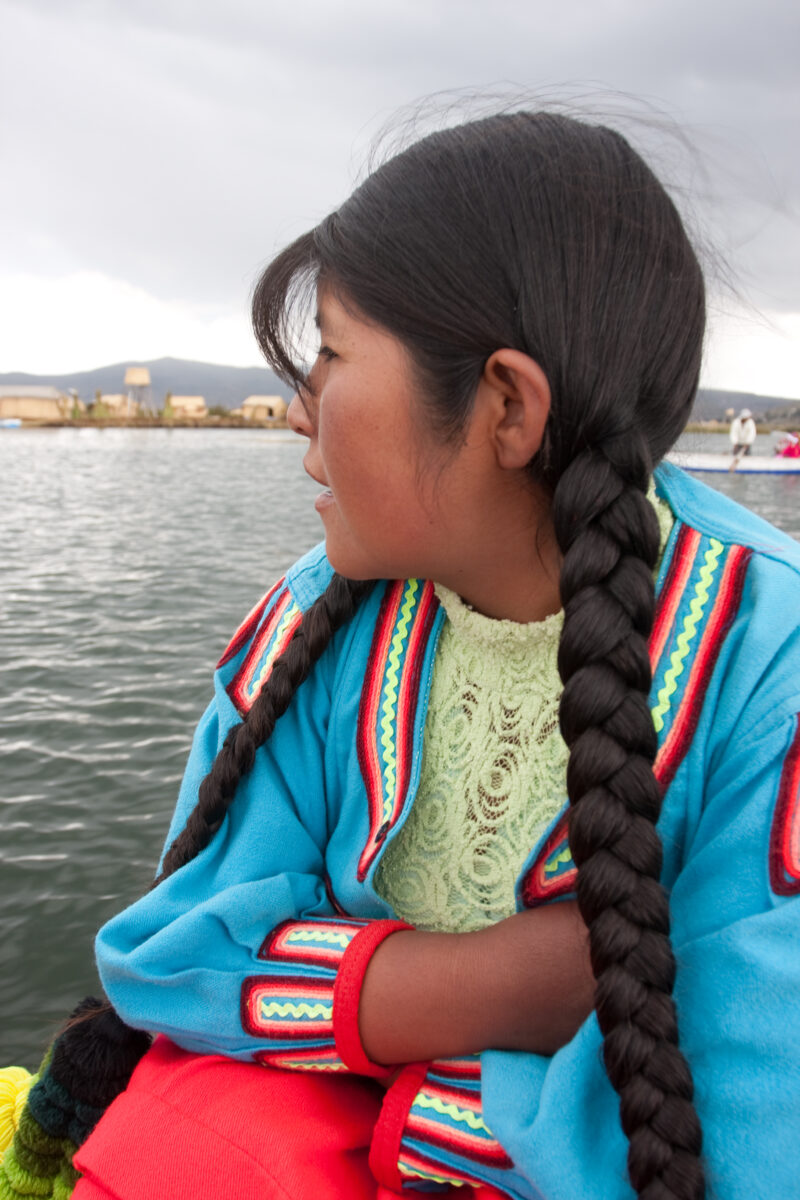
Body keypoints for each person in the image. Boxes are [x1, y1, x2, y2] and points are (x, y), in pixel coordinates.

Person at [3, 110, 800, 1200]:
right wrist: (496, 986)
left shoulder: (764, 669)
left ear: (505, 406)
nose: (298, 412)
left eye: (330, 352)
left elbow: (750, 1136)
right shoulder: (315, 620)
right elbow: (167, 954)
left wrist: (380, 1095)